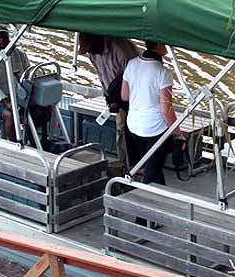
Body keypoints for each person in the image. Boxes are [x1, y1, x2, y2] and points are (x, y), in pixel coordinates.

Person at [121, 40, 184, 185]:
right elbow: (166, 109)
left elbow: (124, 96)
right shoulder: (163, 72)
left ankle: (159, 191)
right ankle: (143, 198)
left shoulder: (131, 64)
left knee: (152, 163)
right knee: (152, 169)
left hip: (133, 125)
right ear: (160, 45)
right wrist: (178, 133)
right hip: (154, 128)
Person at [78, 33, 138, 169]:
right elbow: (101, 75)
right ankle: (125, 166)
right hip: (116, 98)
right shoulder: (93, 54)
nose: (90, 52)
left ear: (97, 39)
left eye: (90, 48)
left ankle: (136, 167)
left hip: (134, 97)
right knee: (121, 132)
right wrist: (108, 98)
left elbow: (136, 76)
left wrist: (122, 99)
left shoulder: (121, 50)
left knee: (133, 134)